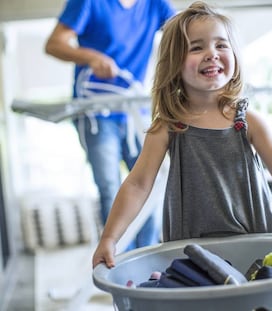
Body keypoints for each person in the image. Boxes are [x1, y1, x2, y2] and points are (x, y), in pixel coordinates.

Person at [92, 1, 272, 268]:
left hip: (258, 238)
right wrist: (109, 238)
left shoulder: (249, 121)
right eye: (197, 47)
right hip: (193, 250)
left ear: (234, 55)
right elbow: (137, 184)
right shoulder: (167, 126)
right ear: (174, 63)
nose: (211, 53)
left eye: (221, 45)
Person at [45, 0, 176, 249]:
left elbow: (183, 29)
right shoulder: (88, 2)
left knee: (154, 182)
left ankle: (146, 256)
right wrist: (91, 56)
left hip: (135, 110)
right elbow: (54, 44)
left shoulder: (154, 4)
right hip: (97, 113)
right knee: (110, 188)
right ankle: (117, 259)